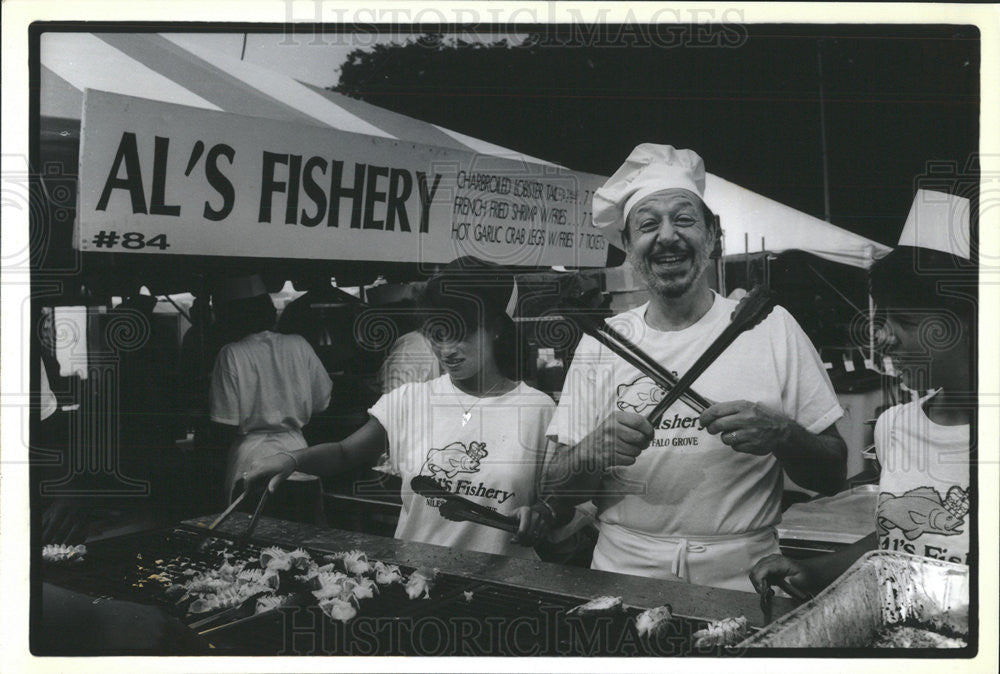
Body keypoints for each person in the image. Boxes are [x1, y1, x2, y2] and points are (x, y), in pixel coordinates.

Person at [542, 144, 848, 591]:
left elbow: (833, 474)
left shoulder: (768, 327)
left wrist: (782, 434)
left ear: (712, 235)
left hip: (745, 576)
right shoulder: (603, 342)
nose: (667, 236)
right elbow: (553, 488)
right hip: (624, 573)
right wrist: (590, 452)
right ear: (628, 246)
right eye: (648, 225)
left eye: (684, 219)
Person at [244, 257, 556, 557]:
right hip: (416, 578)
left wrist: (542, 515)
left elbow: (565, 503)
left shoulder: (537, 411)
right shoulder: (409, 400)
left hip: (504, 584)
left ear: (496, 328)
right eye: (437, 333)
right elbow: (343, 453)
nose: (447, 349)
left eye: (462, 332)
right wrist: (291, 459)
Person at [750, 189, 973, 598]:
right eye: (883, 317)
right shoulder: (895, 427)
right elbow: (893, 539)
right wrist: (813, 572)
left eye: (902, 320)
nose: (882, 338)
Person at [208, 274, 332, 522]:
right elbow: (322, 401)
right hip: (300, 459)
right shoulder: (299, 344)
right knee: (303, 547)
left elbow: (225, 421)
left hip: (252, 463)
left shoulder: (232, 353)